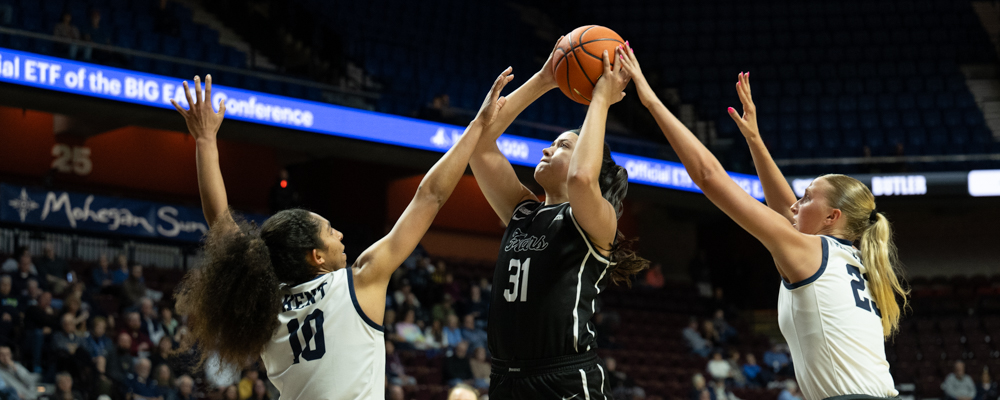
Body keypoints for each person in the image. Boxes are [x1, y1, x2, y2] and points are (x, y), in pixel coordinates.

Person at [170, 71, 515, 400]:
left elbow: (220, 223)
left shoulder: (264, 301)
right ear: (316, 256)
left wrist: (204, 139)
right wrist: (478, 125)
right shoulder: (359, 282)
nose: (340, 234)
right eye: (330, 231)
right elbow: (431, 196)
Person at [620, 46, 906, 399]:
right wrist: (754, 140)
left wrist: (651, 102)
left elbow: (709, 176)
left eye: (807, 197)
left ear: (833, 217)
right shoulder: (852, 260)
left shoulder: (811, 250)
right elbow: (789, 210)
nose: (795, 204)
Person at [470, 40, 648, 397]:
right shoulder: (522, 211)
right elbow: (477, 144)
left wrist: (601, 98)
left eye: (563, 146)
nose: (547, 149)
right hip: (506, 378)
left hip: (563, 378)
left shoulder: (598, 220)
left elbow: (581, 178)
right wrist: (544, 79)